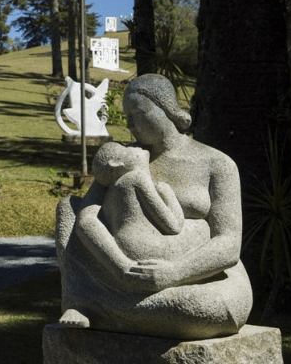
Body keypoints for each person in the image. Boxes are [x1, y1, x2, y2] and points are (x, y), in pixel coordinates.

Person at [55, 74, 253, 340]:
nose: (131, 124)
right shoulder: (123, 158)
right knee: (67, 206)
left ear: (165, 108)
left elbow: (228, 243)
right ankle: (78, 300)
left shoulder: (217, 164)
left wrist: (174, 273)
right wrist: (121, 267)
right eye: (127, 116)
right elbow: (85, 215)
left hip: (203, 280)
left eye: (138, 113)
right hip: (118, 275)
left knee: (197, 308)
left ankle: (106, 311)